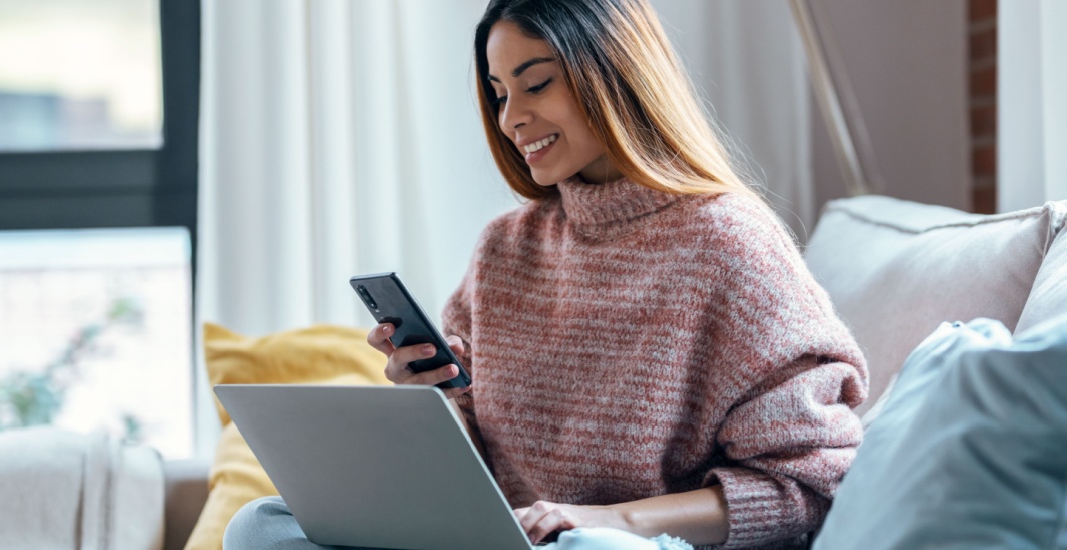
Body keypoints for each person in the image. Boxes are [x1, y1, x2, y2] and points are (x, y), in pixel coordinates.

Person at [224, 0, 867, 548]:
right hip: (501, 535)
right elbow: (475, 447)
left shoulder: (730, 242)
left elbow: (810, 482)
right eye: (499, 94)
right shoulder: (504, 247)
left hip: (620, 543)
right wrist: (432, 403)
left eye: (535, 85)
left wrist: (613, 519)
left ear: (615, 72)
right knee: (260, 526)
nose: (510, 119)